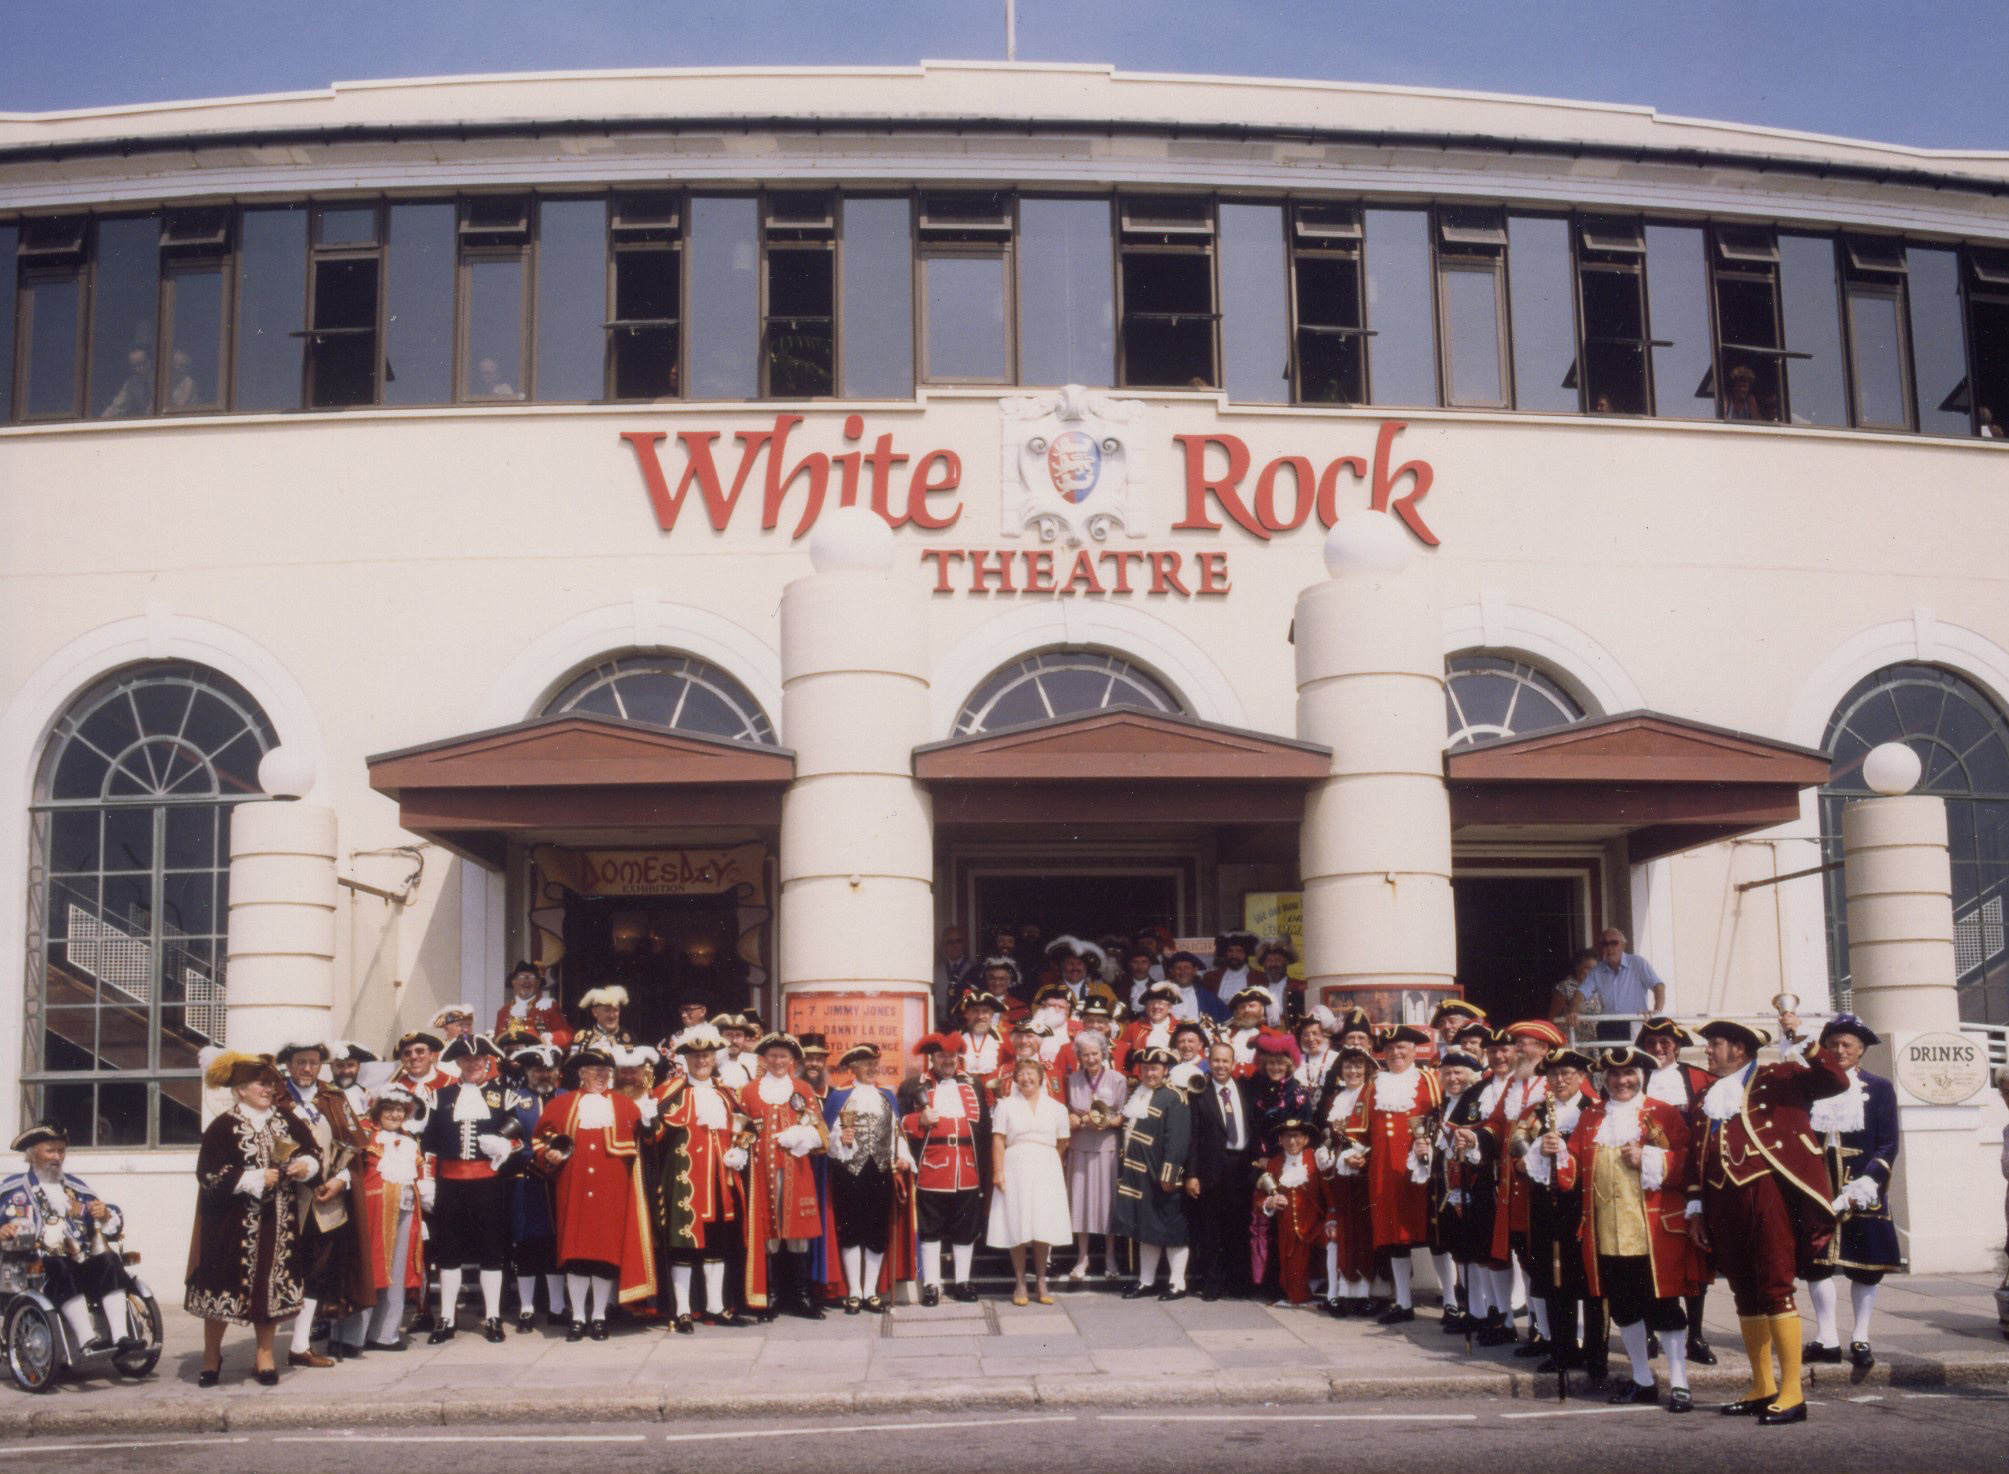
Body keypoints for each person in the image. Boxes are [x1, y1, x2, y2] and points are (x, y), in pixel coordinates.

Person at [1687, 1018, 1848, 1426]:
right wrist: (1695, 1207)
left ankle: (1792, 1392)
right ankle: (1761, 1385)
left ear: (1739, 1049)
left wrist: (1805, 1041)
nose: (1708, 1050)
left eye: (1715, 1044)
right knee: (1744, 1290)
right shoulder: (1705, 1094)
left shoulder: (1779, 1075)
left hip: (1768, 1190)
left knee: (1776, 1285)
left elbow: (1835, 1080)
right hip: (1721, 1197)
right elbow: (1696, 1154)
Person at [1560, 1046, 1696, 1410]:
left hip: (1652, 1233)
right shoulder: (1590, 1117)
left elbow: (1690, 1163)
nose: (1622, 1081)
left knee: (1665, 1307)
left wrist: (1651, 1157)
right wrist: (1553, 1153)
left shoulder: (1664, 1113)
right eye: (1615, 1076)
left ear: (1641, 1076)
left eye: (1629, 1074)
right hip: (1606, 1232)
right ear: (1604, 1080)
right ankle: (1642, 1379)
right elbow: (1571, 1168)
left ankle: (1680, 1382)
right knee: (1624, 1308)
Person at [188, 1051, 321, 1387]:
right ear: (241, 1089)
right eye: (261, 1084)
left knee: (269, 1287)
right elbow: (208, 1175)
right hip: (231, 1223)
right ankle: (210, 1355)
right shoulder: (223, 1126)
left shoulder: (285, 1119)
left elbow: (312, 1151)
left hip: (277, 1221)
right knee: (222, 1287)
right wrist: (254, 1177)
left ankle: (264, 1355)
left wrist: (306, 1166)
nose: (269, 1090)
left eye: (271, 1084)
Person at [532, 1047, 655, 1342]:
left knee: (604, 1255)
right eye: (595, 1071)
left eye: (605, 1072)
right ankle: (577, 1317)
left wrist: (651, 1120)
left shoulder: (625, 1106)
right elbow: (539, 1141)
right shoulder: (561, 1105)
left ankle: (598, 1316)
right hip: (572, 1188)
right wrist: (548, 1154)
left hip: (612, 1190)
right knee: (574, 1255)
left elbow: (649, 1140)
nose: (602, 1077)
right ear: (581, 1074)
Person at [1801, 1014, 1902, 1370]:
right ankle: (1827, 1337)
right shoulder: (1811, 1085)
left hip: (1862, 1187)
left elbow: (1888, 1144)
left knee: (1866, 1267)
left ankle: (1860, 1337)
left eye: (1847, 1045)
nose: (1839, 1050)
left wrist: (1869, 1182)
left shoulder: (1879, 1088)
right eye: (1833, 1044)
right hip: (1818, 1188)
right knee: (1817, 1264)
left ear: (1860, 1051)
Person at [1, 1123, 139, 1358]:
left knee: (109, 1259)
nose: (57, 1157)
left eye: (61, 1151)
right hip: (36, 1271)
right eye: (50, 1151)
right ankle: (86, 1339)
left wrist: (104, 1214)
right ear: (32, 1155)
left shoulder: (77, 1188)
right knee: (59, 1264)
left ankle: (121, 1337)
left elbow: (109, 1221)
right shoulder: (11, 1189)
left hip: (80, 1263)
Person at [274, 1040, 372, 1366]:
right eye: (300, 1062)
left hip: (326, 1202)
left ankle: (300, 1346)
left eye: (313, 1062)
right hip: (284, 1202)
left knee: (317, 1272)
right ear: (288, 1064)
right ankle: (265, 1348)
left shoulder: (333, 1097)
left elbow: (354, 1146)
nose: (307, 1069)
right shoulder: (275, 1097)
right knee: (280, 1271)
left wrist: (340, 1180)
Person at [419, 1036, 522, 1344]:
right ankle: (447, 1318)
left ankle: (493, 1317)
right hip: (450, 1185)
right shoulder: (440, 1097)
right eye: (466, 1060)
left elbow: (519, 1139)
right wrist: (428, 1182)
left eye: (479, 1060)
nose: (473, 1064)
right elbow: (429, 1147)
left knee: (492, 1250)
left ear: (487, 1062)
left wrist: (505, 1144)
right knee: (448, 1251)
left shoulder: (505, 1096)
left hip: (488, 1185)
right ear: (458, 1063)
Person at [650, 1026, 751, 1331]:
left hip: (721, 1182)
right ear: (685, 1059)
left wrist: (741, 1150)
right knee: (683, 1245)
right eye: (695, 1056)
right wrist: (646, 1118)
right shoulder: (669, 1091)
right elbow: (653, 1136)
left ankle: (716, 1306)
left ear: (713, 1058)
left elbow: (745, 1128)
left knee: (718, 1244)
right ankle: (682, 1310)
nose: (701, 1061)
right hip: (685, 1182)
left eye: (706, 1055)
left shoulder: (725, 1093)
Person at [1638, 1016, 1719, 1365]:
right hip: (1644, 1177)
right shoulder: (1634, 1076)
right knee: (1646, 1256)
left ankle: (1696, 1336)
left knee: (1694, 1260)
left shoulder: (1700, 1079)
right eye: (1653, 1042)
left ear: (1677, 1044)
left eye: (1666, 1041)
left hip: (1690, 1176)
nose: (1659, 1048)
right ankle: (1648, 1333)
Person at [1351, 1024, 1442, 1325]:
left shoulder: (1428, 1080)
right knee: (1394, 1238)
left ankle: (1452, 1301)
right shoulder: (1374, 1085)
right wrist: (1353, 1153)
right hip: (1384, 1174)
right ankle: (1403, 1302)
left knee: (1436, 1235)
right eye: (1389, 1049)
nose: (1395, 1053)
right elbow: (1358, 1131)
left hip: (1421, 1170)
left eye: (1401, 1047)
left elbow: (1442, 1120)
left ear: (1414, 1050)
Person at [737, 1032, 829, 1320]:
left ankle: (800, 1296)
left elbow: (818, 1129)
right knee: (768, 1232)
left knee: (797, 1232)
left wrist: (801, 1133)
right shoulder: (749, 1091)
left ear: (792, 1060)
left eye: (784, 1056)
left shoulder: (802, 1088)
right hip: (761, 1172)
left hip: (795, 1170)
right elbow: (740, 1127)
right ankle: (771, 1295)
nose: (778, 1061)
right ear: (764, 1059)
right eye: (773, 1055)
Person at [1487, 1019, 1565, 1351]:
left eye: (1524, 1043)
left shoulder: (1559, 1085)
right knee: (1526, 1261)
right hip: (1513, 1193)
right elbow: (1493, 1125)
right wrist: (1474, 1136)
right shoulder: (1515, 1085)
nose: (1517, 1048)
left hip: (1541, 1194)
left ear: (1545, 1050)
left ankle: (1547, 1332)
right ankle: (1537, 1328)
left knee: (1543, 1265)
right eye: (1517, 1042)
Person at [819, 1043, 911, 1316]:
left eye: (875, 1063)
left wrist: (903, 1156)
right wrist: (840, 1139)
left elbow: (898, 1132)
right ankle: (854, 1293)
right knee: (851, 1230)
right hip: (849, 1171)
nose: (873, 1069)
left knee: (876, 1231)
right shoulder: (840, 1096)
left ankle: (870, 1291)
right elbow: (827, 1136)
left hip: (881, 1169)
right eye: (867, 1064)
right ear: (854, 1067)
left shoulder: (887, 1095)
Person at [901, 1034, 990, 1305]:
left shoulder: (974, 1084)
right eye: (942, 1056)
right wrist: (919, 1119)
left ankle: (963, 1282)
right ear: (933, 1058)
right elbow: (899, 1123)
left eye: (952, 1056)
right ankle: (931, 1284)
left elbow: (984, 1128)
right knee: (930, 1228)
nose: (948, 1061)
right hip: (932, 1167)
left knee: (966, 1228)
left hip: (967, 1166)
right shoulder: (913, 1085)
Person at [987, 1055, 1074, 1305]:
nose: (1026, 1079)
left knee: (1042, 1224)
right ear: (1015, 1080)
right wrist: (998, 1171)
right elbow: (998, 1140)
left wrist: (1048, 1160)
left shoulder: (1056, 1108)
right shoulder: (1006, 1105)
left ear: (1040, 1078)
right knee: (1018, 1222)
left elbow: (1063, 1141)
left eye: (1030, 1074)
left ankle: (1042, 1281)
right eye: (1021, 1075)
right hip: (1015, 1166)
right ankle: (1020, 1283)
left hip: (1046, 1167)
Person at [1114, 1046, 1193, 1301]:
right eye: (1145, 1068)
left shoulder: (1174, 1097)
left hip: (1161, 1175)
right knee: (1146, 1227)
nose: (1149, 1073)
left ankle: (1177, 1283)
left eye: (1155, 1069)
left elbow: (1178, 1139)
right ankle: (1145, 1280)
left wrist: (1170, 1173)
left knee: (1171, 1229)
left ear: (1165, 1070)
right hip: (1138, 1174)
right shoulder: (1138, 1094)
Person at [355, 1088, 428, 1353]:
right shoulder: (365, 1134)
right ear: (377, 1110)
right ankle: (353, 1336)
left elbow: (418, 1174)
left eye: (400, 1110)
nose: (396, 1115)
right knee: (369, 1271)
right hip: (373, 1211)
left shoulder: (409, 1139)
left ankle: (386, 1334)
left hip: (406, 1210)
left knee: (396, 1273)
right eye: (389, 1109)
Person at [1185, 1040, 1257, 1301]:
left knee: (1238, 1225)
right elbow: (1192, 1137)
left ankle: (1238, 1283)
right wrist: (1191, 1174)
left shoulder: (1245, 1089)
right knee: (1211, 1227)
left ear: (1233, 1063)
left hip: (1241, 1167)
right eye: (1216, 1060)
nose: (1221, 1066)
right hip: (1211, 1168)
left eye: (1226, 1061)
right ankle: (1212, 1284)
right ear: (1208, 1061)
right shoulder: (1199, 1094)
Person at [504, 1042, 568, 1330]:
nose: (544, 1075)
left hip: (561, 1182)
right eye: (538, 1069)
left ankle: (557, 1306)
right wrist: (530, 1158)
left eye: (549, 1069)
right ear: (528, 1071)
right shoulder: (514, 1100)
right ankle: (527, 1308)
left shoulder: (568, 1098)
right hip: (526, 1182)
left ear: (557, 1071)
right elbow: (507, 1142)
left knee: (555, 1245)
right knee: (527, 1246)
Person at [1065, 1029, 1128, 1282]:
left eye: (1094, 1053)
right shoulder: (1073, 1078)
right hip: (1080, 1143)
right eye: (1085, 1054)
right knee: (1081, 1201)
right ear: (1078, 1056)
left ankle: (1110, 1256)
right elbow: (1069, 1109)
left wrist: (1108, 1122)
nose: (1090, 1058)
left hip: (1106, 1146)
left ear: (1103, 1053)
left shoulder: (1117, 1079)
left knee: (1106, 1202)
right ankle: (1083, 1257)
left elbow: (1124, 1114)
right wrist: (1077, 1118)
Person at [1322, 1046, 1377, 1315]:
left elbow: (1377, 1135)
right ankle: (1344, 1292)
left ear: (1366, 1070)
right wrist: (1328, 1152)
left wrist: (1364, 1157)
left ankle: (1367, 1293)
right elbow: (1332, 1137)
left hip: (1364, 1174)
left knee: (1364, 1234)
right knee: (1343, 1232)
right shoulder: (1336, 1097)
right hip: (1341, 1176)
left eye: (1358, 1067)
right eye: (1348, 1067)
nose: (1353, 1072)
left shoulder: (1372, 1094)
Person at [1259, 1116, 1332, 1306]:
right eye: (1287, 1137)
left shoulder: (1315, 1159)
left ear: (1306, 1139)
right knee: (1295, 1287)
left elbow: (1330, 1192)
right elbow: (1258, 1198)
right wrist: (1270, 1201)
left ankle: (1335, 1295)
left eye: (1297, 1136)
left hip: (1317, 1225)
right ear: (1280, 1140)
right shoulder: (1274, 1163)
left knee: (1336, 1247)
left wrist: (1333, 1217)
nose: (1292, 1141)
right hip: (1290, 1234)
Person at [1580, 930, 1667, 1034]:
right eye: (1605, 943)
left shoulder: (1637, 963)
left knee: (1634, 1050)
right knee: (1607, 1049)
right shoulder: (1597, 970)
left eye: (1614, 943)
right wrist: (1573, 1009)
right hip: (1608, 1026)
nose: (1609, 947)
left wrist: (1656, 1013)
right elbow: (1581, 992)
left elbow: (1658, 985)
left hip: (1634, 1026)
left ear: (1623, 945)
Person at [496, 960, 571, 1049]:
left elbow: (567, 1034)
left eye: (531, 977)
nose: (526, 980)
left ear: (538, 983)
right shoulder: (503, 1011)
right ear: (513, 982)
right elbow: (497, 1041)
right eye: (521, 977)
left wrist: (548, 1039)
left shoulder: (549, 1007)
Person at [1203, 931, 1267, 1023]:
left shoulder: (1259, 977)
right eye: (1230, 951)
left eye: (1239, 951)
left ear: (1246, 954)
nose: (1234, 955)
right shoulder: (1210, 978)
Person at [957, 990, 1007, 1087]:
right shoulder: (955, 1041)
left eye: (985, 1011)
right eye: (975, 1011)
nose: (980, 1016)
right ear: (966, 1014)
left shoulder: (1004, 1041)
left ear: (992, 1014)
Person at [573, 986, 635, 1056]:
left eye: (615, 1010)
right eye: (607, 1010)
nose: (612, 1015)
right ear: (595, 1012)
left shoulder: (629, 1037)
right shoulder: (583, 1037)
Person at [1549, 948, 1600, 1032]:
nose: (1592, 973)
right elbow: (1552, 1018)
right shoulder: (1564, 987)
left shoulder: (1597, 987)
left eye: (1594, 969)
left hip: (1594, 1041)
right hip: (1571, 1040)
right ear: (1577, 967)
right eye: (1588, 968)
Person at [327, 1043, 376, 1119]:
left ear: (358, 1067)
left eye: (350, 1065)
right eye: (340, 1065)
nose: (346, 1071)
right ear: (331, 1067)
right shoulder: (321, 1093)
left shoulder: (368, 1096)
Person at [1166, 1021, 1212, 1090]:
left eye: (1190, 1041)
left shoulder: (1209, 1068)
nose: (1186, 1045)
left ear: (1200, 1045)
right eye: (1181, 1041)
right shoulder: (1170, 1069)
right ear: (1176, 1045)